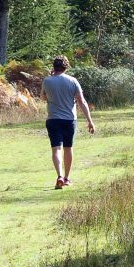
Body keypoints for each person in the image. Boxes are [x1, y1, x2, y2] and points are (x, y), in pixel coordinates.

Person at [41, 56, 94, 189]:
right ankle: (66, 178)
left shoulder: (47, 81)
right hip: (70, 120)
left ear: (54, 67)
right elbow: (82, 101)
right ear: (66, 67)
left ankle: (59, 175)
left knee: (56, 149)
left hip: (53, 119)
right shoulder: (73, 81)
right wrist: (90, 121)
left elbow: (42, 97)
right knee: (68, 148)